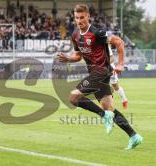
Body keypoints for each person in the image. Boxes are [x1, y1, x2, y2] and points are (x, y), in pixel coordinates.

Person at [57, 4, 142, 149]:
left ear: (88, 16)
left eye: (82, 17)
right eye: (77, 18)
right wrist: (68, 59)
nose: (79, 20)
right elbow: (78, 56)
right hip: (94, 73)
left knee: (73, 98)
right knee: (110, 108)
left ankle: (103, 115)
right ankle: (134, 136)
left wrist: (121, 64)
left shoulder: (97, 32)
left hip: (102, 71)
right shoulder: (75, 35)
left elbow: (119, 42)